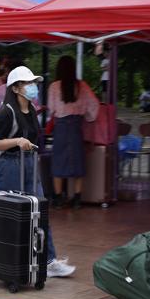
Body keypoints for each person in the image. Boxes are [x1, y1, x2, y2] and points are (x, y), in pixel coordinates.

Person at [0, 66, 76, 278]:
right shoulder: (6, 112)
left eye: (33, 83)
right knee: (0, 212)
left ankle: (49, 260)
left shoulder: (31, 109)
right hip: (9, 165)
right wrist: (18, 141)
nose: (33, 87)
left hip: (28, 164)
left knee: (40, 210)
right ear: (16, 88)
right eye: (27, 83)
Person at [48, 55, 100, 210]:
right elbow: (94, 105)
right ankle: (77, 198)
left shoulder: (54, 87)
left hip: (61, 126)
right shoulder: (82, 86)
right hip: (76, 126)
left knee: (58, 160)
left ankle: (58, 198)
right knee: (77, 160)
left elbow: (51, 109)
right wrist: (89, 117)